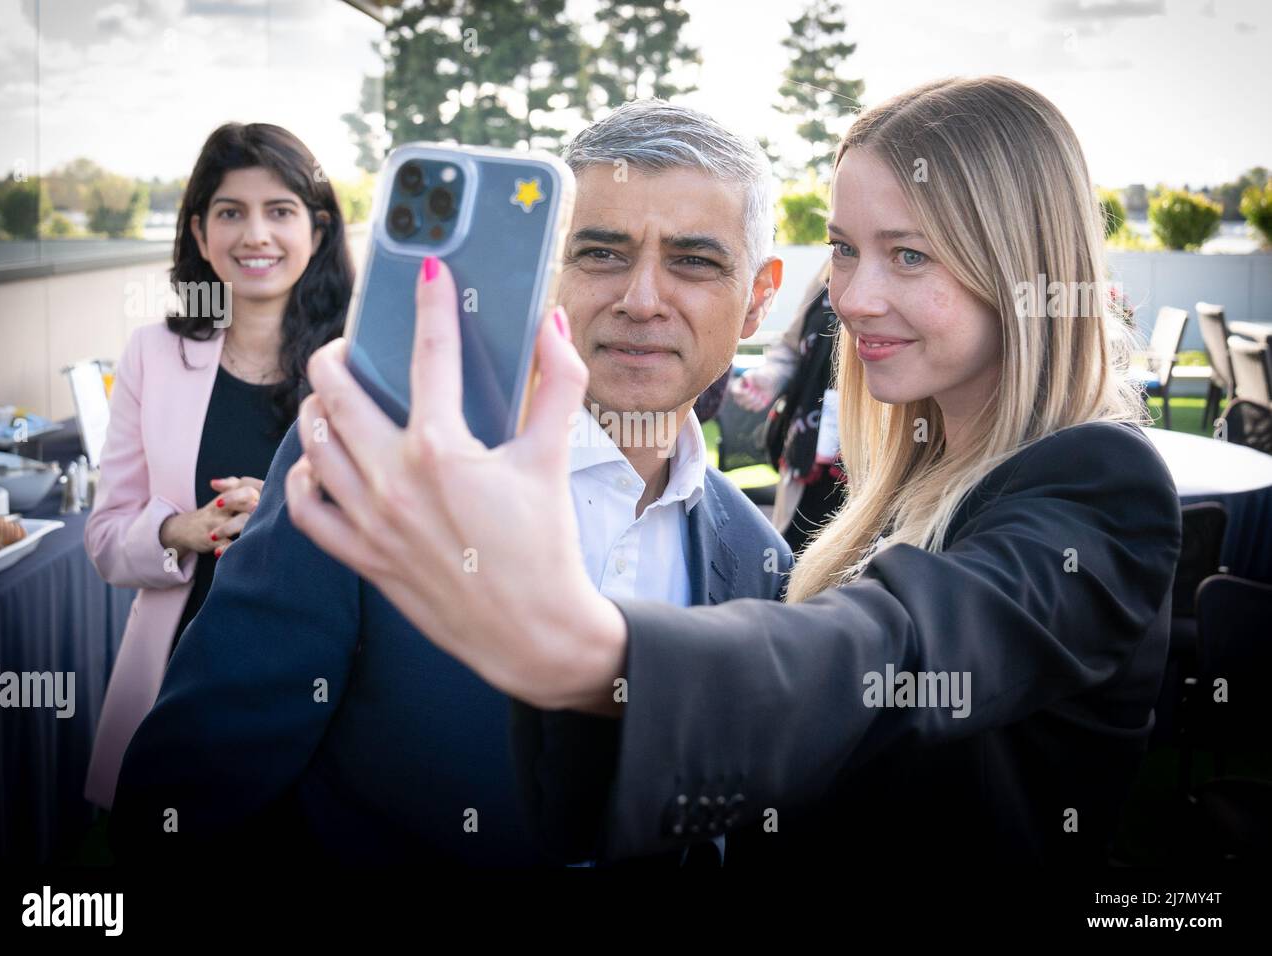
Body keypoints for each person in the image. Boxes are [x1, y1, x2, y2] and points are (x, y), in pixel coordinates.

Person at [285, 77, 1182, 866]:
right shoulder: (899, 489)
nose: (854, 297)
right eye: (845, 248)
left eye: (910, 254)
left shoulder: (1100, 488)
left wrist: (586, 650)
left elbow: (892, 653)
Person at [109, 100, 791, 866]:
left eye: (694, 261)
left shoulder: (762, 566)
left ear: (759, 297)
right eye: (601, 253)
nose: (641, 298)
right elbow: (179, 800)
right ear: (548, 268)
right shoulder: (372, 468)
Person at [83, 123, 353, 810]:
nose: (255, 235)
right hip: (183, 682)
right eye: (231, 212)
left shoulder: (360, 361)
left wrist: (279, 518)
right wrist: (184, 529)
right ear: (201, 235)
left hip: (333, 686)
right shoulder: (151, 354)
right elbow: (106, 541)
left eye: (281, 211)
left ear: (317, 231)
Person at [730, 261, 848, 552]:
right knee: (793, 566)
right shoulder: (827, 273)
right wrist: (768, 379)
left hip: (866, 467)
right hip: (808, 462)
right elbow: (792, 347)